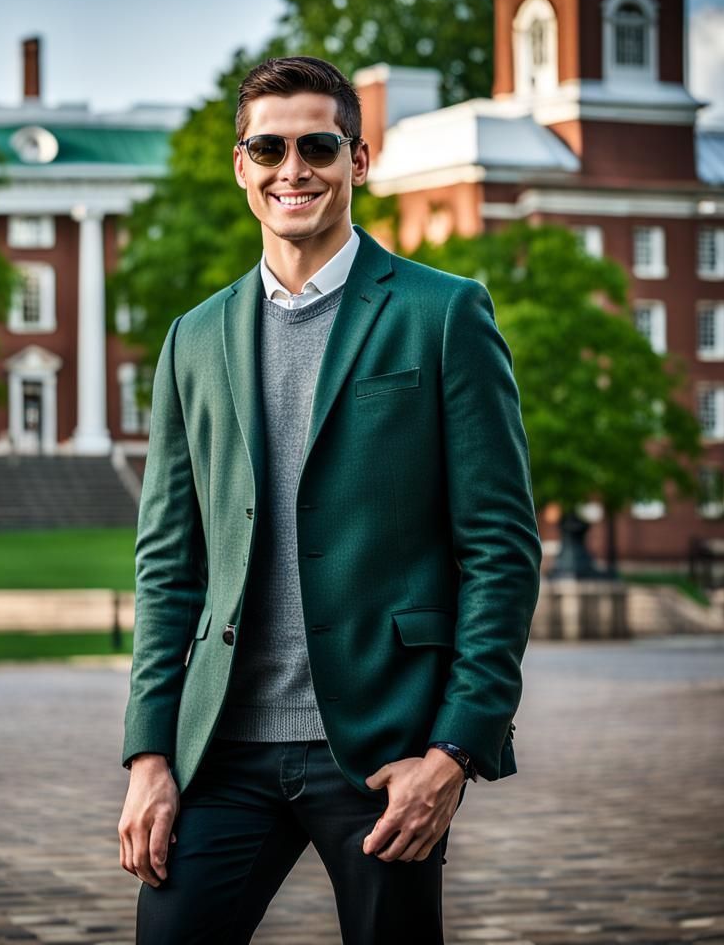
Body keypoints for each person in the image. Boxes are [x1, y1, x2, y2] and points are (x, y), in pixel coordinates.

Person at [117, 55, 542, 944]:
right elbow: (168, 564)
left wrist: (453, 752)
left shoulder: (443, 313)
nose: (293, 169)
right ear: (241, 166)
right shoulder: (194, 338)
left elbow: (500, 550)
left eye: (317, 146)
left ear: (359, 159)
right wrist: (150, 753)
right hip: (221, 749)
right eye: (268, 149)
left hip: (386, 749)